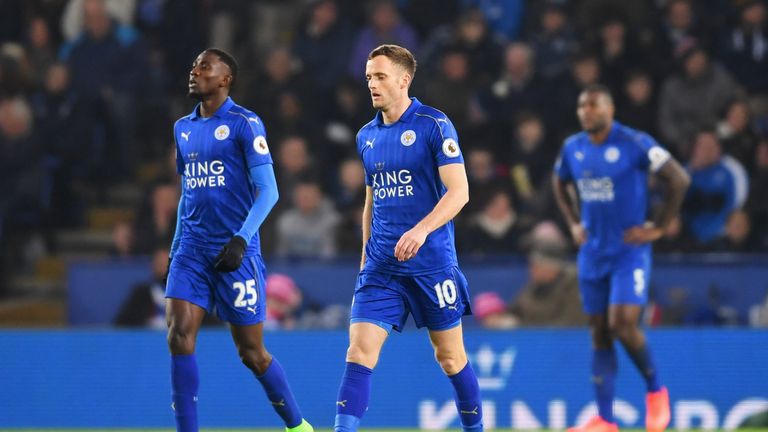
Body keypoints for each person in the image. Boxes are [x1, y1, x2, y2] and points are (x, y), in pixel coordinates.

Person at [333, 44, 483, 432]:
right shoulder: (366, 136)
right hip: (381, 266)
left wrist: (421, 229)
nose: (372, 84)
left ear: (404, 79)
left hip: (431, 264)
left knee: (450, 357)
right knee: (359, 351)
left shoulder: (434, 125)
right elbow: (372, 200)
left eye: (380, 76)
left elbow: (459, 192)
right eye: (368, 77)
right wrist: (366, 253)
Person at [165, 48, 313, 432]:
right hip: (192, 251)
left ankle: (297, 426)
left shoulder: (246, 123)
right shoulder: (183, 127)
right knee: (179, 335)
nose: (194, 71)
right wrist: (175, 248)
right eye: (194, 65)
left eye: (204, 67)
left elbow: (269, 191)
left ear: (225, 78)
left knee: (252, 353)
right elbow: (188, 192)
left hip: (235, 252)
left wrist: (241, 240)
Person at [553, 84, 691, 432]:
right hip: (592, 253)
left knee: (623, 324)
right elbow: (559, 181)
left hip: (629, 251)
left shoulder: (635, 142)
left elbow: (679, 179)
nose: (586, 111)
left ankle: (656, 390)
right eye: (582, 105)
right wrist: (572, 223)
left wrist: (659, 228)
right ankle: (605, 419)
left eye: (594, 105)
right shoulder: (573, 148)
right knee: (599, 332)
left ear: (610, 109)